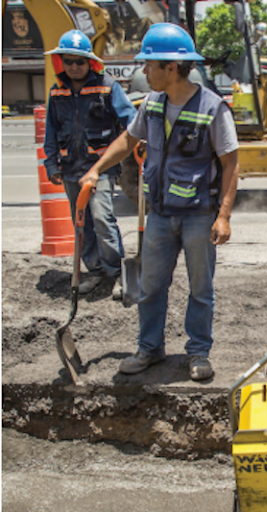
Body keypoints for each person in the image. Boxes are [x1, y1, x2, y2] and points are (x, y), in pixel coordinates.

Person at [79, 23, 239, 381]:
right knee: (151, 286)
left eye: (149, 65)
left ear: (171, 67)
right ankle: (149, 349)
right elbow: (127, 138)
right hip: (161, 215)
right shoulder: (151, 104)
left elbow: (231, 164)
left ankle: (198, 352)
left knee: (201, 289)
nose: (143, 71)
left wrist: (223, 216)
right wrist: (96, 169)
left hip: (199, 215)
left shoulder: (213, 107)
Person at [43, 29, 137, 297]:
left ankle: (117, 272)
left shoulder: (107, 86)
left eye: (79, 61)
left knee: (102, 219)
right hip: (71, 169)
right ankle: (96, 272)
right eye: (68, 61)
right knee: (81, 223)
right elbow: (51, 132)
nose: (74, 67)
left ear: (90, 63)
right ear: (61, 61)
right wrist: (52, 166)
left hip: (102, 168)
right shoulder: (57, 92)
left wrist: (137, 145)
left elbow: (131, 120)